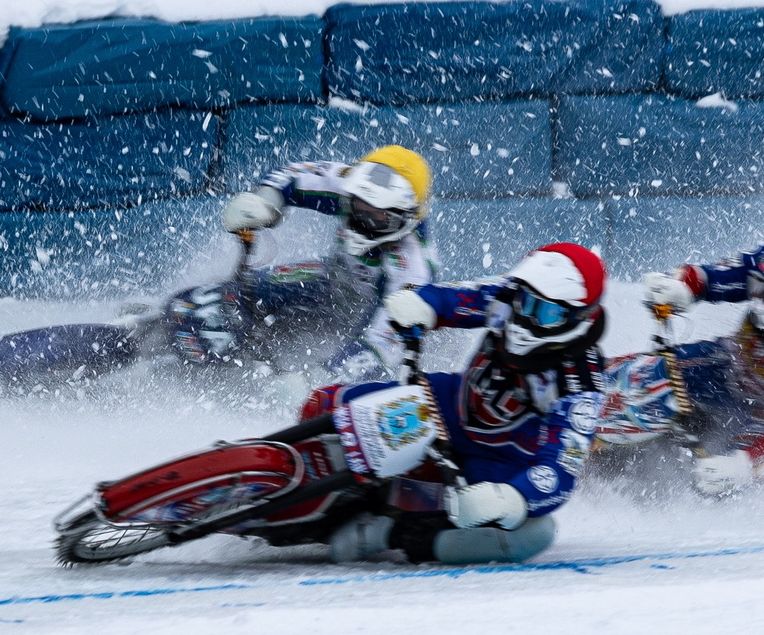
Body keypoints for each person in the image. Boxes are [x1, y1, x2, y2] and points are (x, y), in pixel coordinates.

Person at [318, 242, 610, 567]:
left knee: (532, 535)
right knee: (327, 400)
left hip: (496, 462)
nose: (524, 315)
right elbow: (455, 298)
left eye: (545, 311)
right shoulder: (508, 296)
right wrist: (422, 304)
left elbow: (560, 470)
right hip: (445, 405)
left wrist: (513, 498)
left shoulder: (581, 383)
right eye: (524, 300)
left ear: (579, 317)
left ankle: (388, 533)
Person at [597, 230, 764, 496]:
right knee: (644, 376)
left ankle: (645, 491)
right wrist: (682, 286)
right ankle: (581, 406)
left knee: (716, 479)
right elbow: (714, 276)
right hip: (729, 366)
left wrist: (746, 465)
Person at [213, 145, 438, 380]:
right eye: (358, 207)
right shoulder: (348, 182)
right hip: (333, 280)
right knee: (241, 291)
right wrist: (264, 202)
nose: (362, 221)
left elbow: (380, 349)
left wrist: (316, 382)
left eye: (379, 217)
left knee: (361, 381)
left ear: (407, 219)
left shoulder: (414, 271)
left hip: (373, 313)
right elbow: (292, 176)